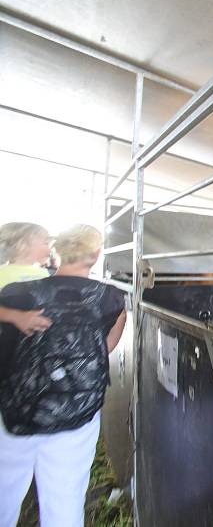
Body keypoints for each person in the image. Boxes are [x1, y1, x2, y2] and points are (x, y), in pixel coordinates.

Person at [0, 224, 127, 527]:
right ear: (96, 256)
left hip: (18, 406)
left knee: (5, 490)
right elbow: (105, 348)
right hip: (76, 409)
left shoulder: (17, 293)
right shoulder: (110, 298)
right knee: (65, 497)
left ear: (57, 252)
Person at [0, 222, 54, 335]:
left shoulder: (44, 273)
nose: (50, 251)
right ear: (23, 246)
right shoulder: (3, 273)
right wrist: (16, 316)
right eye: (46, 243)